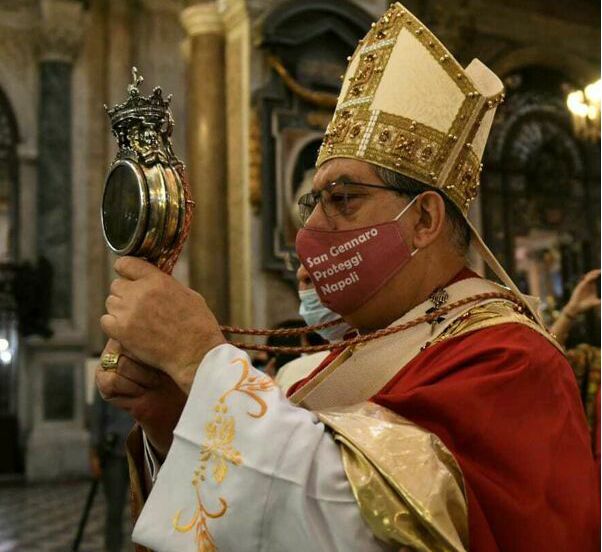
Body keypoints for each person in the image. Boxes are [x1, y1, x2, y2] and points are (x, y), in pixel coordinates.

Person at [96, 3, 599, 551]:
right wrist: (176, 420)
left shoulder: (508, 360)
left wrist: (201, 362)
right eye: (314, 201)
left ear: (425, 219)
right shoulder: (336, 359)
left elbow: (367, 527)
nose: (309, 229)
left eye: (341, 199)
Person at [90, 391, 135, 552]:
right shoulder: (109, 364)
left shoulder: (146, 366)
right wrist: (94, 452)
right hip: (114, 454)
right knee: (114, 510)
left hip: (141, 451)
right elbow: (97, 414)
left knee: (147, 510)